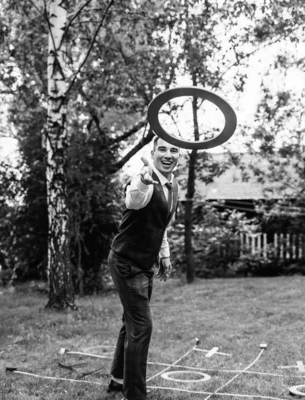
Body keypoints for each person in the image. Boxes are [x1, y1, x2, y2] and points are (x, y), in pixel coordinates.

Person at [107, 136, 180, 400]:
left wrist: (165, 255)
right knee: (142, 325)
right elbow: (134, 200)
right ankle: (134, 395)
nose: (168, 154)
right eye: (163, 149)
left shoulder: (174, 187)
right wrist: (143, 178)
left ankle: (118, 379)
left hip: (146, 262)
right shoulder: (144, 181)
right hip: (126, 262)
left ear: (179, 156)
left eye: (174, 150)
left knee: (131, 321)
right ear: (153, 152)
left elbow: (161, 225)